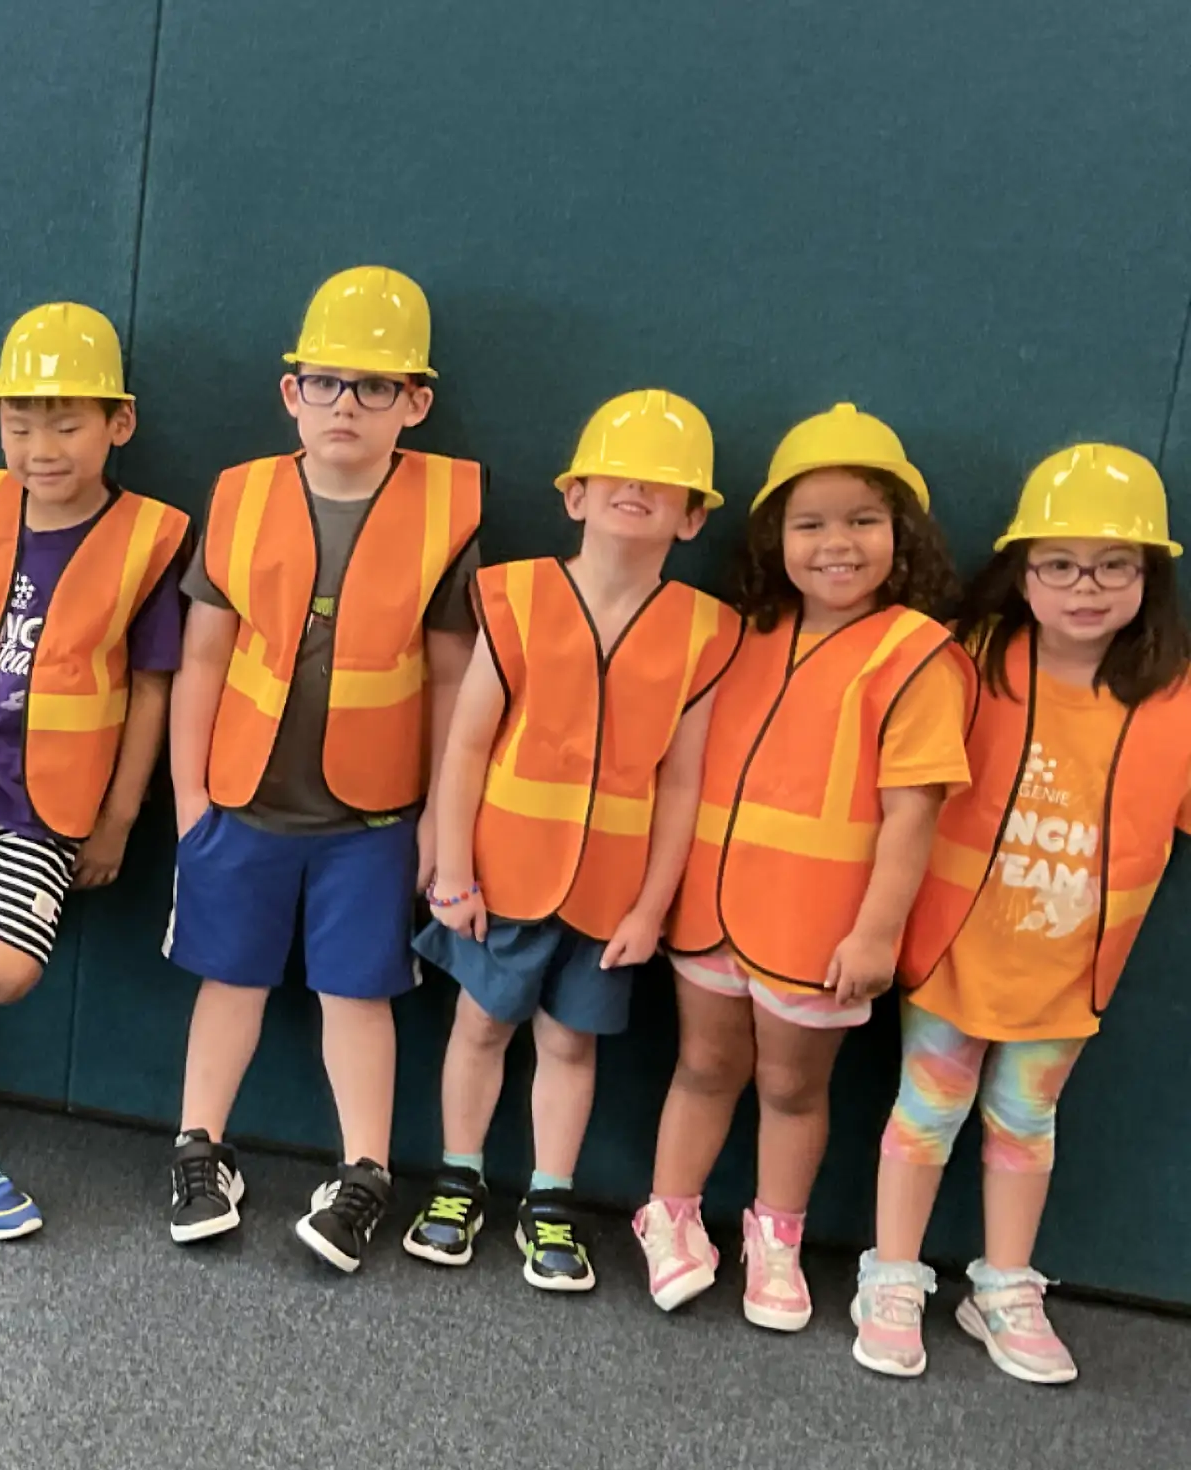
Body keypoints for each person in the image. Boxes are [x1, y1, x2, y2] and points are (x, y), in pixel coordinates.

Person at [852, 444, 1191, 1384]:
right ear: (1023, 572)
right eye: (1060, 564)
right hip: (955, 953)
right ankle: (892, 1273)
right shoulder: (967, 663)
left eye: (1115, 565)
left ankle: (1002, 1284)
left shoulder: (1177, 700)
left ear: (1149, 578)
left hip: (1068, 973)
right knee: (927, 1109)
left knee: (1023, 1120)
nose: (1087, 587)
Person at [166, 266, 482, 1272]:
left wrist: (439, 825)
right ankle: (197, 1147)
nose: (345, 404)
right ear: (288, 391)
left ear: (414, 404)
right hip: (243, 803)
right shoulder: (241, 494)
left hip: (371, 821)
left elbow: (450, 681)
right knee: (229, 979)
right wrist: (187, 802)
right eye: (325, 382)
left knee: (358, 993)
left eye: (374, 387)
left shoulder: (448, 509)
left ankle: (363, 1174)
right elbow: (203, 655)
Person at [645, 403, 972, 1329]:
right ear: (774, 537)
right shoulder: (741, 633)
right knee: (703, 1065)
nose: (838, 543)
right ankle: (670, 1215)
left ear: (901, 536)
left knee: (793, 1086)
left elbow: (916, 814)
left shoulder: (919, 656)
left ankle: (775, 1236)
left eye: (864, 520)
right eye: (811, 522)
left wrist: (876, 932)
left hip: (819, 928)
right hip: (710, 909)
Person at [407, 391, 740, 1288]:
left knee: (568, 1044)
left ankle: (549, 1200)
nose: (635, 490)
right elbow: (467, 743)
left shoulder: (709, 632)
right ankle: (457, 1180)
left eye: (661, 483)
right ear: (575, 495)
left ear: (694, 516)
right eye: (614, 475)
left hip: (611, 898)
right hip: (502, 879)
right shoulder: (514, 596)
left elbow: (683, 781)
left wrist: (651, 907)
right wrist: (450, 871)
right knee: (479, 1026)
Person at [0, 303, 187, 1238]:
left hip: (52, 800)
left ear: (119, 424)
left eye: (66, 423)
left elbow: (152, 690)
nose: (41, 447)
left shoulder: (148, 536)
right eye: (20, 425)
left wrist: (116, 819)